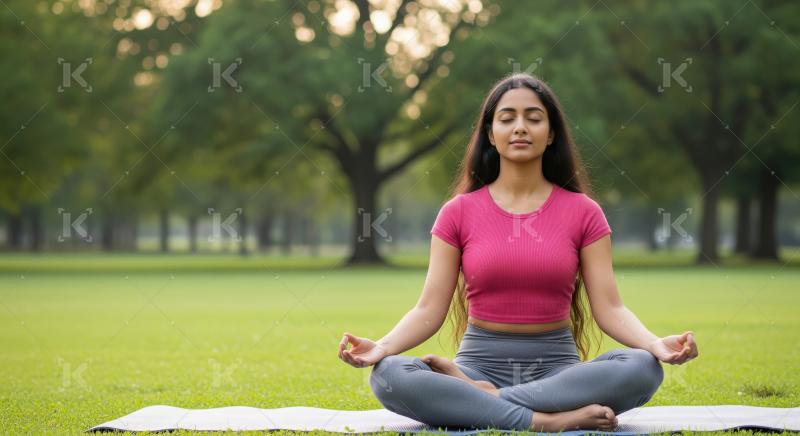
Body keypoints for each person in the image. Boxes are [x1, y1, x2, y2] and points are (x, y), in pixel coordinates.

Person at [337, 73, 699, 432]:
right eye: (507, 118)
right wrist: (381, 347)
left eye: (534, 118)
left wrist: (654, 344)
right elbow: (428, 310)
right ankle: (545, 422)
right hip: (477, 364)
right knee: (389, 375)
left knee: (642, 367)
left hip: (560, 375)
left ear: (551, 133)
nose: (521, 127)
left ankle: (478, 399)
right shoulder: (457, 212)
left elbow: (611, 309)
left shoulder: (584, 212)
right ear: (491, 135)